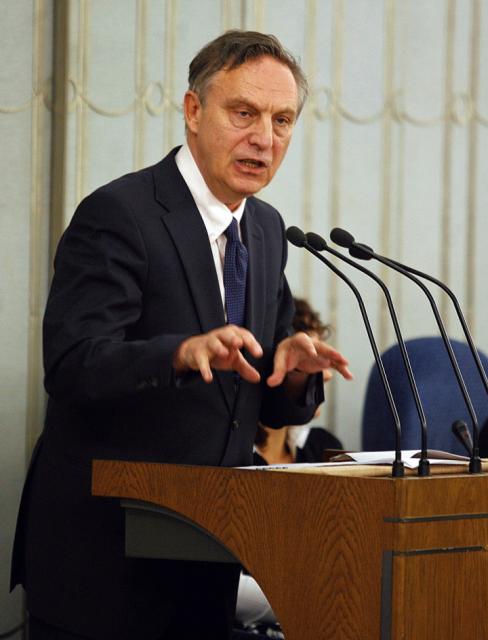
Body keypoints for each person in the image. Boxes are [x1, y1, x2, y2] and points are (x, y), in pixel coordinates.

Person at [10, 30, 352, 640]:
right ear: (194, 111)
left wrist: (294, 374)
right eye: (243, 113)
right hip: (104, 565)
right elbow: (72, 364)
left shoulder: (266, 229)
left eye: (282, 120)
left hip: (205, 565)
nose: (265, 138)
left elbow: (255, 397)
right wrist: (179, 353)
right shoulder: (121, 214)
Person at [235, 299, 343, 636]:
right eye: (309, 364)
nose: (326, 374)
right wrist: (307, 597)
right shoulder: (235, 459)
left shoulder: (323, 447)